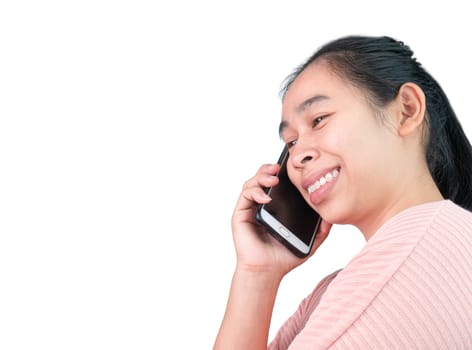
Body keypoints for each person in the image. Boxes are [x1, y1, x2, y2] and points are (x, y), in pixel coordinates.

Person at [213, 35, 472, 349]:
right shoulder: (345, 287)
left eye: (319, 120)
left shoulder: (390, 277)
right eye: (291, 142)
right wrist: (257, 274)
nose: (296, 157)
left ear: (406, 109)